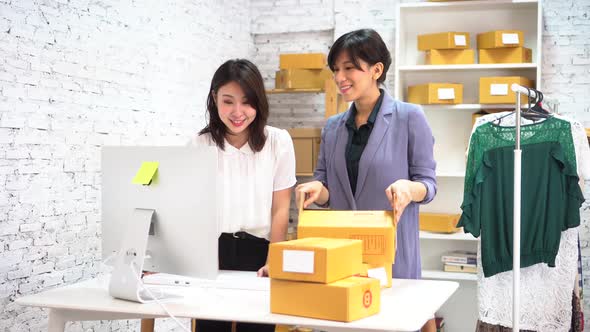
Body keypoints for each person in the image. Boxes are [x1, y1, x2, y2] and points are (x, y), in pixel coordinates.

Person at [295, 29, 437, 331]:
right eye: (336, 69)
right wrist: (315, 189)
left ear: (376, 70)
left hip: (392, 255)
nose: (340, 77)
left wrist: (408, 189)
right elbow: (327, 188)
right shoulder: (333, 127)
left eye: (350, 67)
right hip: (343, 256)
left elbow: (428, 184)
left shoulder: (410, 117)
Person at [190, 58, 296, 332]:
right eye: (228, 101)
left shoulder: (278, 142)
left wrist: (274, 258)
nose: (238, 112)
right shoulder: (199, 144)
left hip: (260, 253)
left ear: (258, 102)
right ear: (214, 99)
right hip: (214, 252)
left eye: (247, 101)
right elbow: (192, 210)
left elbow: (281, 209)